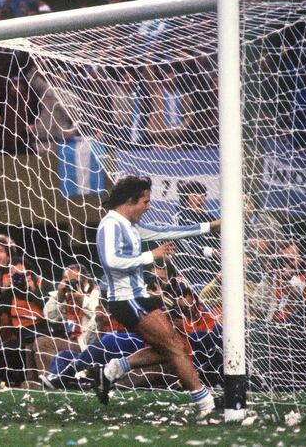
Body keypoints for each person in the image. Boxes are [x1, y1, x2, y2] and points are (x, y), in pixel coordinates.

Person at [88, 175, 220, 419]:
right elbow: (111, 261)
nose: (149, 207)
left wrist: (211, 226)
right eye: (146, 202)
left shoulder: (131, 226)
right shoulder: (110, 225)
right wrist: (152, 255)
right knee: (175, 347)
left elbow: (168, 230)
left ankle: (112, 370)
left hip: (140, 296)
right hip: (126, 299)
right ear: (130, 200)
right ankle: (205, 403)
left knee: (172, 347)